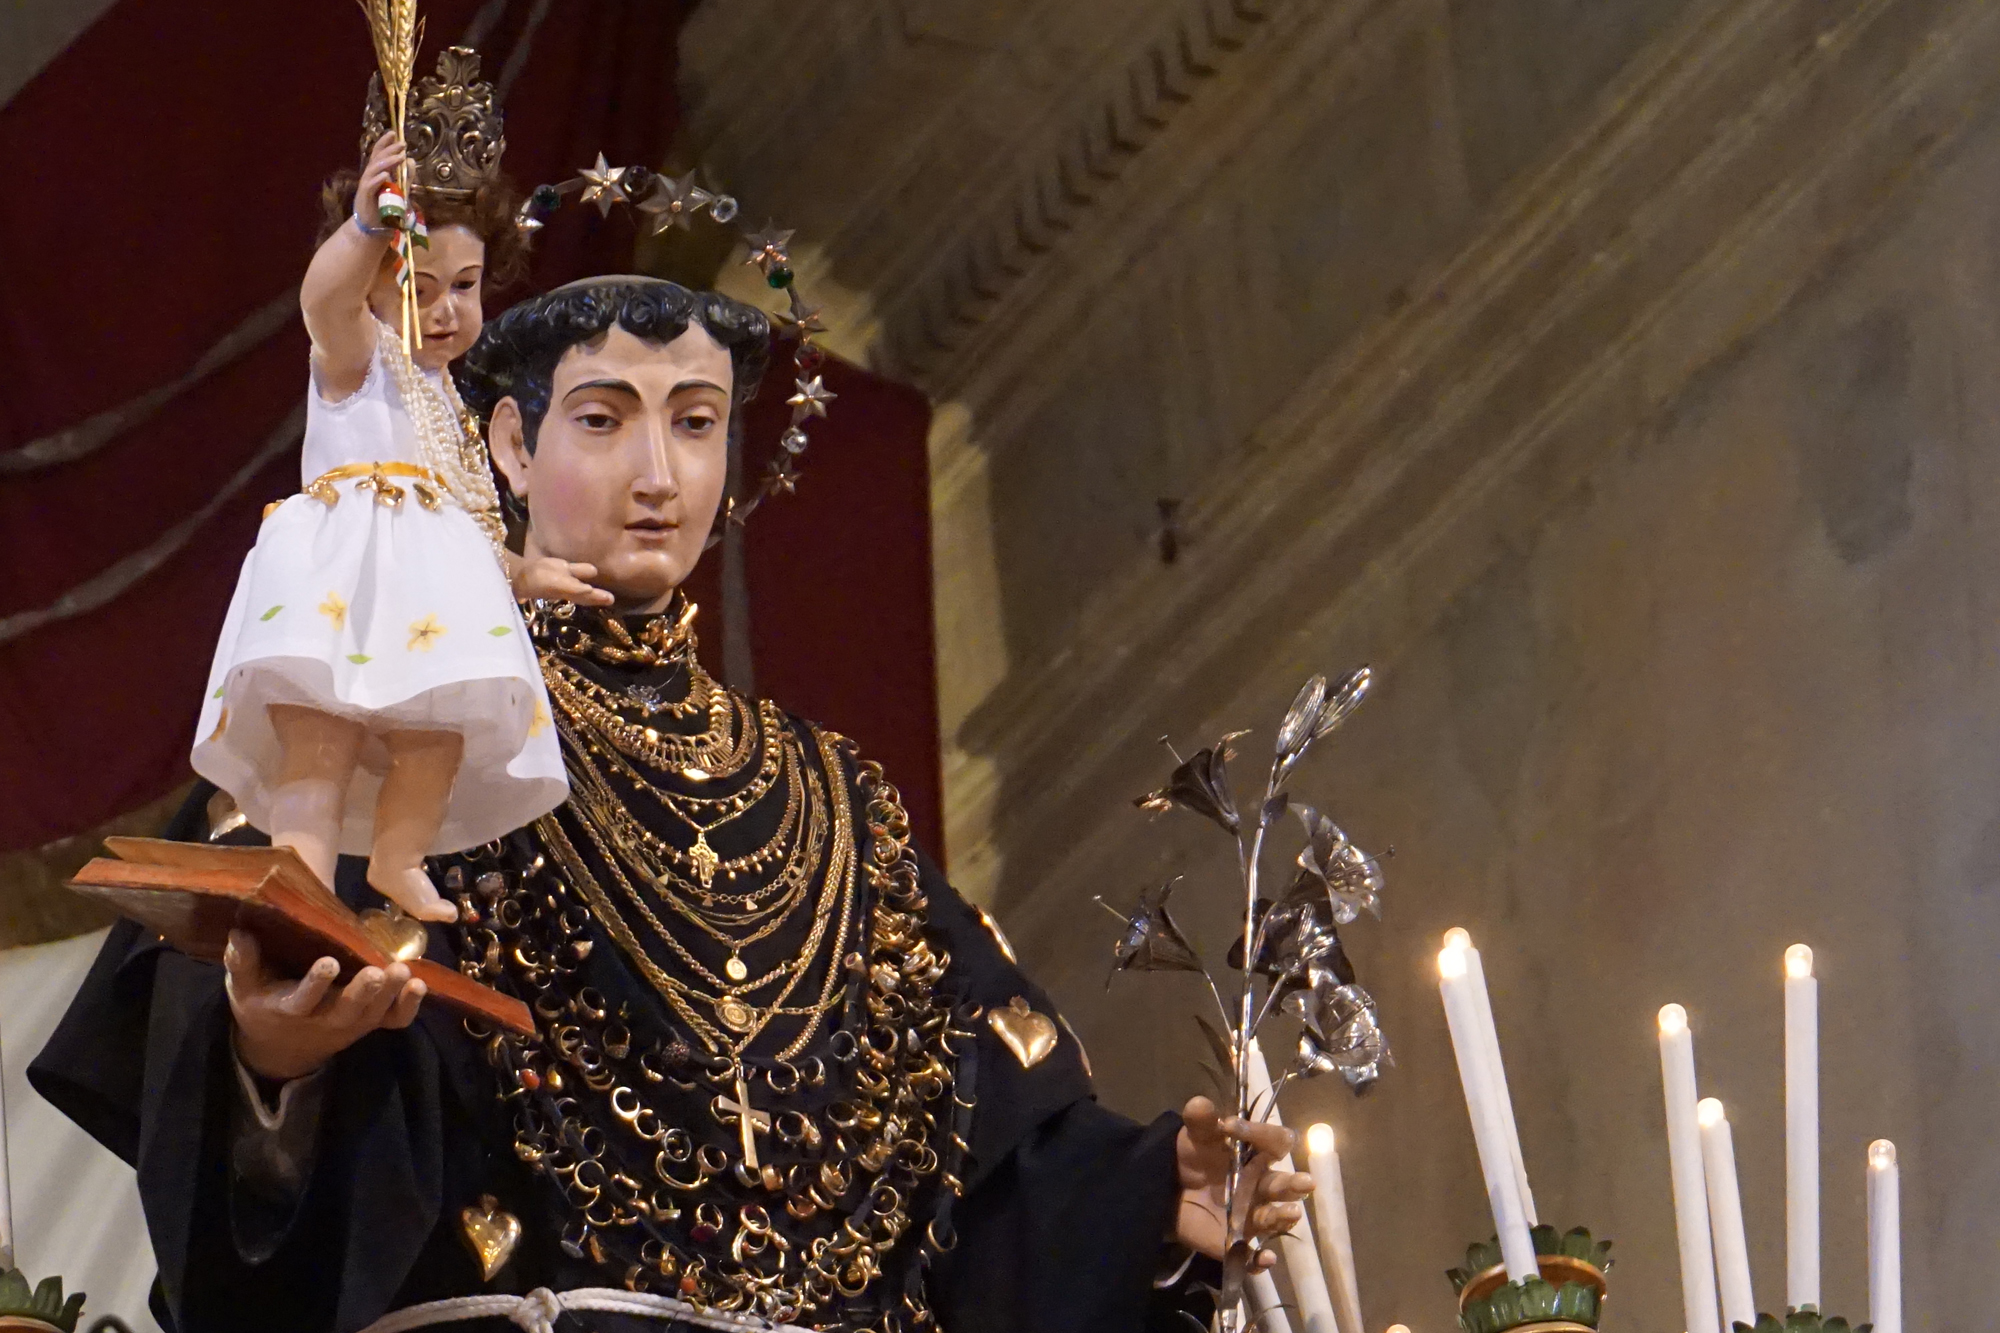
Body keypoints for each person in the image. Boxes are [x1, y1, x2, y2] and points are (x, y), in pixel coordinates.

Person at [33, 277, 1312, 1333]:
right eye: (604, 420)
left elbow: (983, 1142)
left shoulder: (834, 802)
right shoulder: (402, 728)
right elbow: (271, 1158)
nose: (658, 472)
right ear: (512, 445)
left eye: (695, 423)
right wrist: (275, 1070)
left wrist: (1151, 1204)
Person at [190, 47, 599, 926]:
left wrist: (528, 572)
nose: (447, 309)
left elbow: (477, 525)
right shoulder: (359, 355)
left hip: (429, 600)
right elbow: (322, 301)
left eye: (466, 286)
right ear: (378, 284)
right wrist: (363, 232)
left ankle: (398, 856)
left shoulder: (454, 405)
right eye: (422, 286)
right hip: (342, 582)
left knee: (439, 732)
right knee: (320, 736)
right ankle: (298, 879)